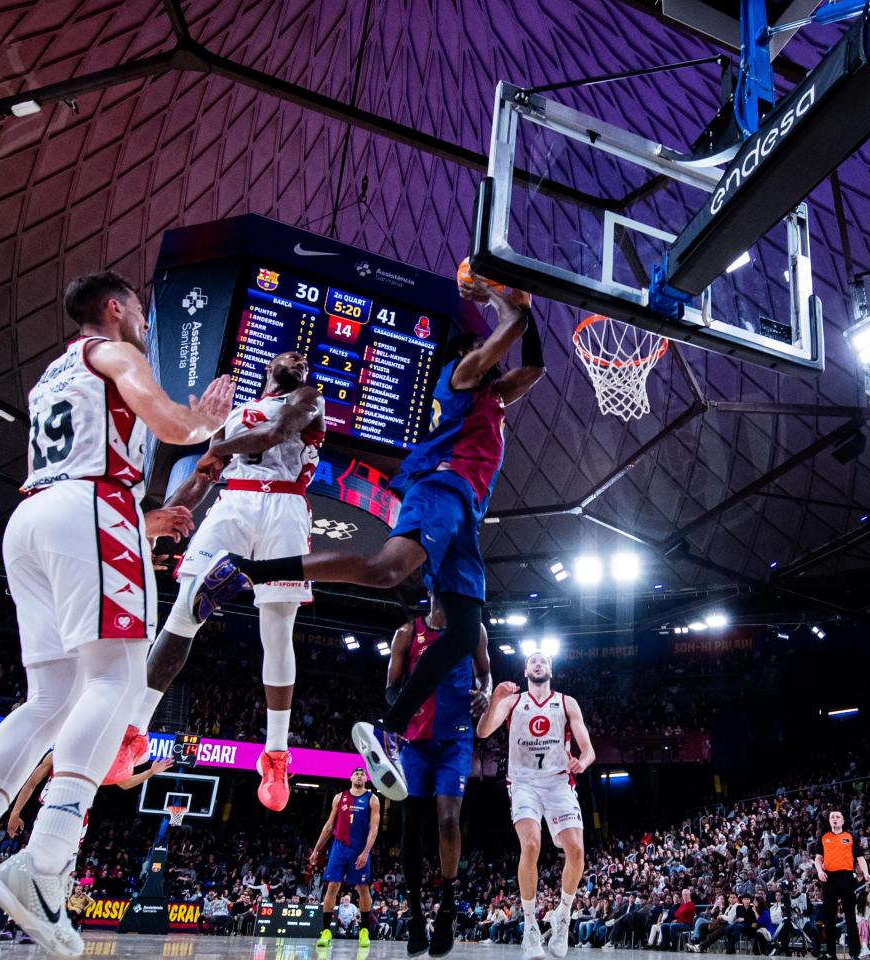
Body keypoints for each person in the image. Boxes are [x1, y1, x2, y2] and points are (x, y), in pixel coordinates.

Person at [0, 270, 232, 960]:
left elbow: (79, 462)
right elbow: (169, 423)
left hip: (37, 518)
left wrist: (143, 521)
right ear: (114, 308)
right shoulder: (112, 350)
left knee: (49, 698)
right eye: (138, 312)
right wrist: (206, 418)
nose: (143, 326)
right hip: (88, 512)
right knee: (117, 679)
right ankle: (44, 865)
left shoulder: (51, 377)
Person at [212, 261, 546, 800]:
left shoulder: (493, 399)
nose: (495, 364)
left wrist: (526, 310)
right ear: (470, 360)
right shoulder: (460, 379)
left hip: (466, 511)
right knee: (386, 568)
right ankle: (252, 571)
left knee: (463, 632)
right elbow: (505, 340)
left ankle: (387, 730)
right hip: (441, 487)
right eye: (485, 356)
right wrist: (508, 303)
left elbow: (534, 367)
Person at [114, 351, 325, 812]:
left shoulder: (307, 398)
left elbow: (270, 436)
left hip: (285, 506)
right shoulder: (233, 415)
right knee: (185, 609)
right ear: (268, 366)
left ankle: (274, 755)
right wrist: (168, 515)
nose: (298, 359)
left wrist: (212, 437)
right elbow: (203, 476)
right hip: (234, 503)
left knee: (277, 630)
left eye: (304, 360)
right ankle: (134, 732)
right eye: (290, 354)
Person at [390, 590, 491, 958]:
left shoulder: (472, 630)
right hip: (415, 743)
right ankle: (416, 914)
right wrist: (398, 715)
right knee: (410, 827)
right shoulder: (406, 633)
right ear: (432, 591)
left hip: (456, 741)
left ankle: (447, 908)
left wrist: (485, 693)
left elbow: (486, 674)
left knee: (448, 821)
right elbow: (391, 689)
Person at [478, 650, 596, 959]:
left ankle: (563, 914)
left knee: (577, 850)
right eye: (533, 660)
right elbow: (483, 731)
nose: (538, 663)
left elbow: (588, 751)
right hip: (523, 782)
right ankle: (530, 926)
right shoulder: (513, 701)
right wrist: (494, 699)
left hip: (558, 782)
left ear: (551, 671)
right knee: (530, 846)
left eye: (543, 660)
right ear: (526, 670)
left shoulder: (567, 702)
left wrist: (581, 763)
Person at [0, 751, 175, 942]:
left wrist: (151, 772)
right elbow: (31, 782)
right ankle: (10, 924)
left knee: (58, 876)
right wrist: (15, 813)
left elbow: (125, 783)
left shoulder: (100, 759)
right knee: (30, 868)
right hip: (50, 812)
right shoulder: (57, 754)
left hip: (78, 820)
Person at [310, 767, 381, 949]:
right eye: (356, 773)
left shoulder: (372, 799)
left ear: (366, 778)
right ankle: (326, 931)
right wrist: (317, 849)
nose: (359, 775)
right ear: (350, 777)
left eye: (362, 774)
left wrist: (365, 852)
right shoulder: (338, 797)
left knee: (363, 888)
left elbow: (374, 829)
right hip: (339, 847)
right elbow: (329, 825)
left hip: (359, 849)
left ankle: (364, 930)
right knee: (332, 886)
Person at [815, 811, 870, 960]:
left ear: (843, 820)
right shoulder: (824, 837)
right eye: (832, 817)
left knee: (850, 916)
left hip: (846, 877)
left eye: (837, 817)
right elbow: (818, 858)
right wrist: (819, 871)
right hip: (829, 878)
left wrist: (866, 873)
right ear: (829, 820)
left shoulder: (850, 836)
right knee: (829, 917)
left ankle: (854, 953)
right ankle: (830, 953)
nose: (835, 819)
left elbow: (860, 858)